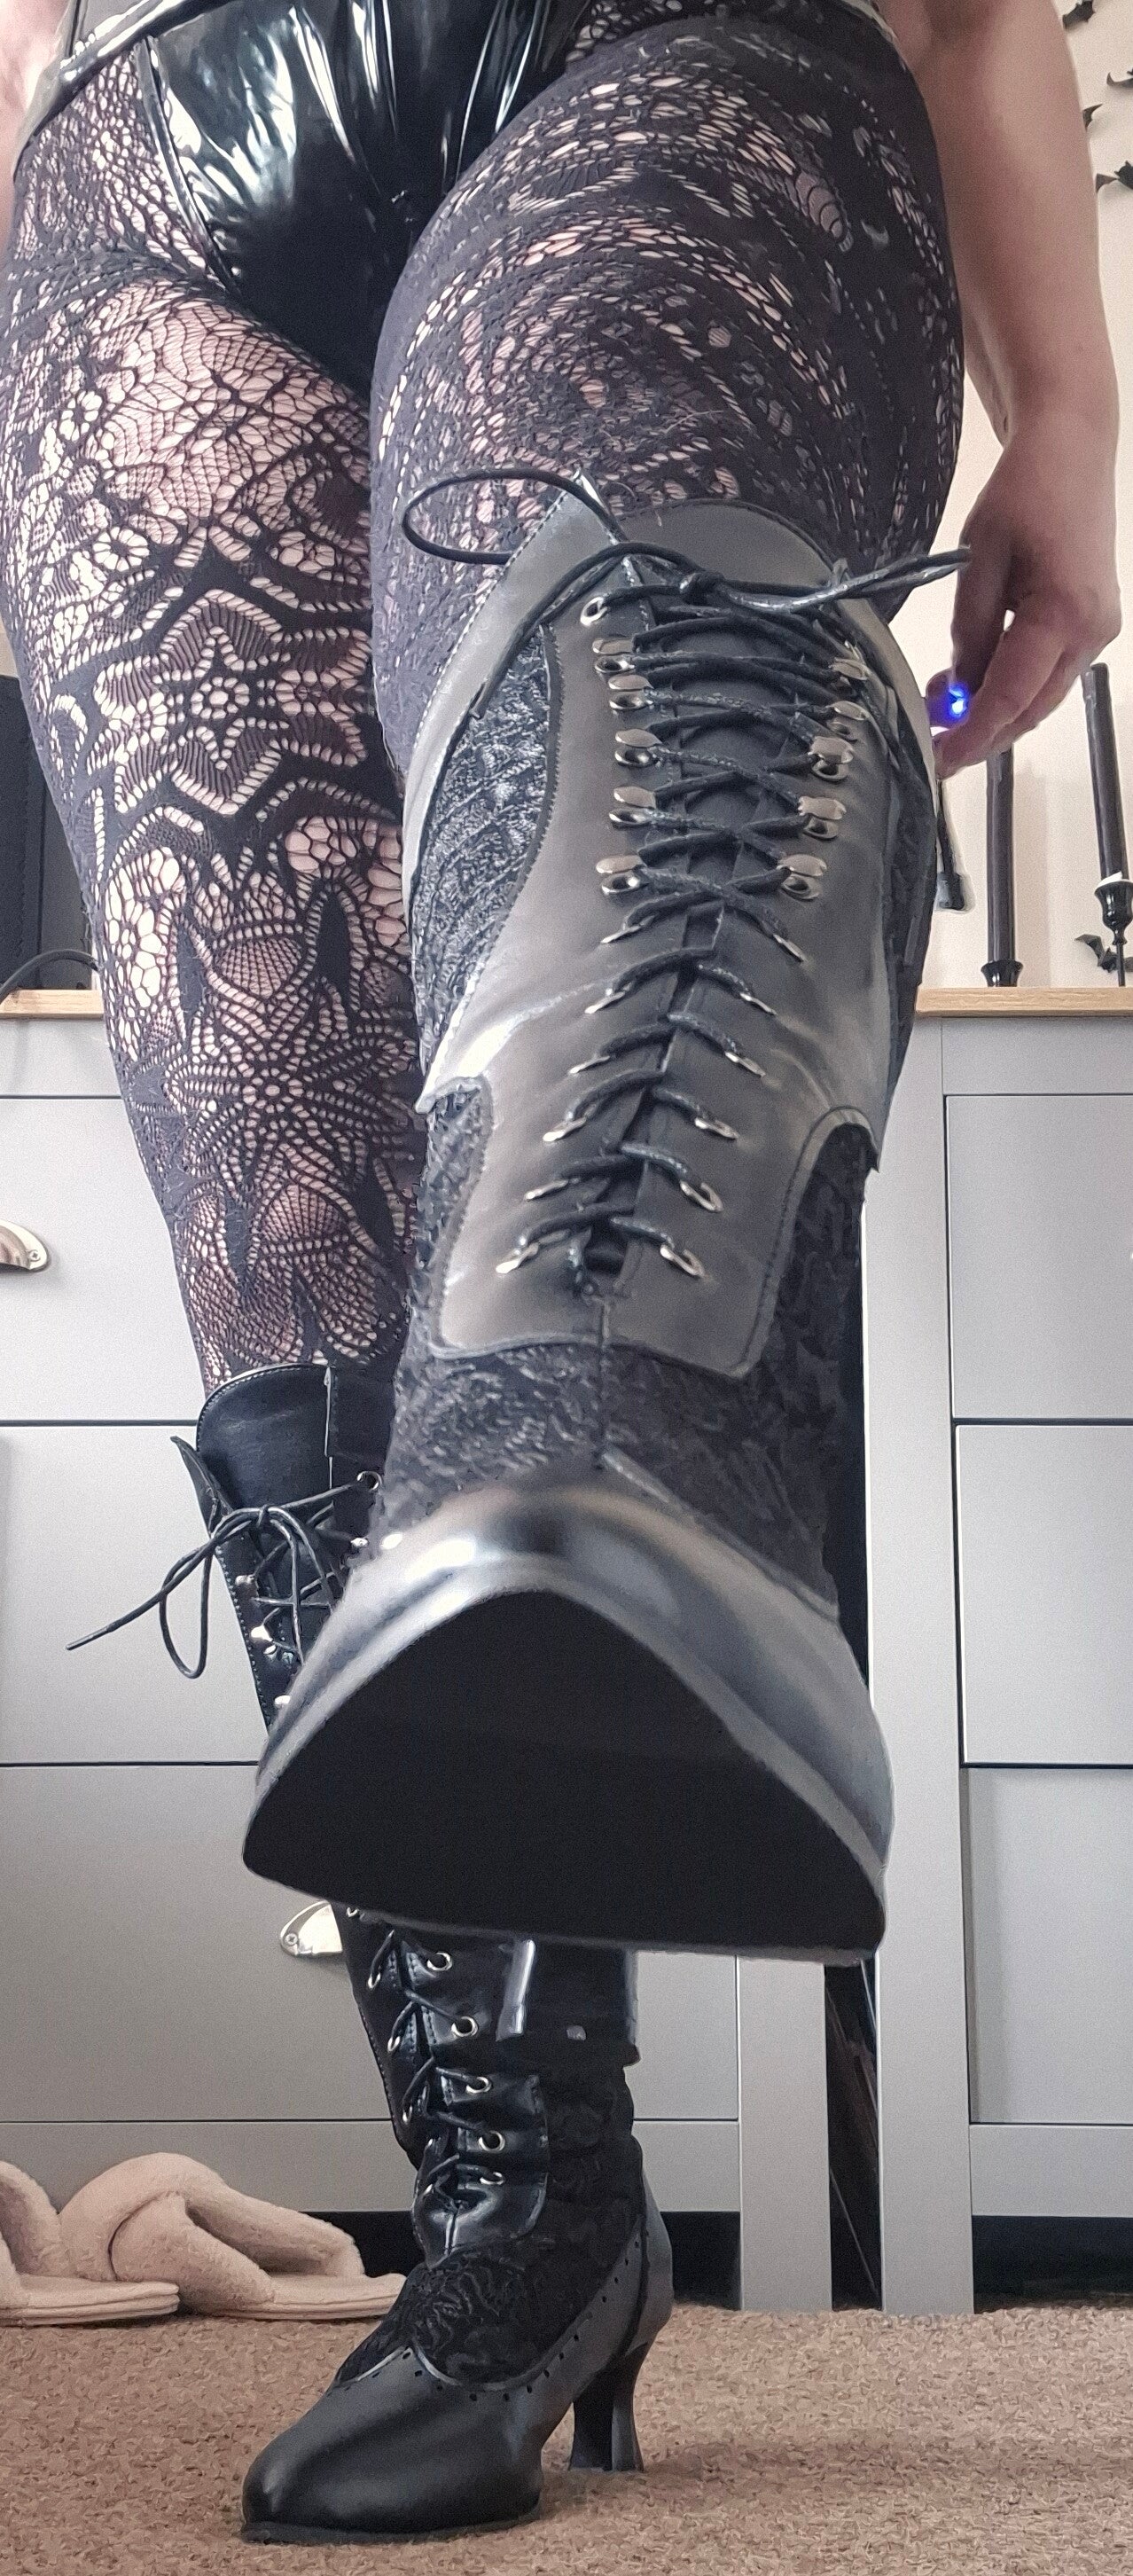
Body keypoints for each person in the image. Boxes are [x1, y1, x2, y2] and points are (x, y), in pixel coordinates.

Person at [0, 0, 1119, 2545]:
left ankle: (656, 1436)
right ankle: (529, 2207)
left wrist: (1066, 412)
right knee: (281, 1217)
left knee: (636, 732)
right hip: (148, 162)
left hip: (669, 50)